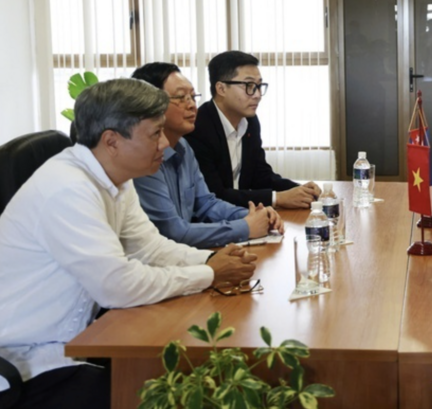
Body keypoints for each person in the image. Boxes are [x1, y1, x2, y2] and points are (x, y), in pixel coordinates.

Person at [0, 78, 258, 409]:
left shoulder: (115, 179)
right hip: (26, 365)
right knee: (175, 393)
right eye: (155, 133)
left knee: (190, 374)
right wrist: (209, 275)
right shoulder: (68, 189)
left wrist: (211, 260)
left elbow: (150, 249)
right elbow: (116, 286)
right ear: (112, 141)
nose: (166, 144)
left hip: (76, 344)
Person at [131, 63, 284, 248]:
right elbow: (172, 231)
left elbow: (207, 204)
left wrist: (253, 215)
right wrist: (245, 227)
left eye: (193, 96)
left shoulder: (183, 146)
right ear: (151, 104)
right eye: (181, 97)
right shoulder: (143, 157)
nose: (191, 105)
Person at [186, 51, 321, 209]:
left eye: (259, 86)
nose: (257, 95)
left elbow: (260, 175)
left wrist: (299, 190)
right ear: (221, 89)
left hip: (242, 215)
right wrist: (277, 198)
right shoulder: (199, 127)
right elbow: (214, 194)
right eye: (249, 86)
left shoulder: (250, 121)